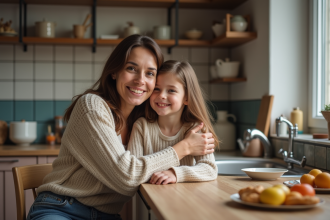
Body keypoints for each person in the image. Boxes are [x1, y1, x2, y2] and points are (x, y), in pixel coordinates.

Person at [27, 35, 215, 220]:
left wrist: (178, 170)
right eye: (132, 68)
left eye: (150, 73)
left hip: (106, 215)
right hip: (62, 208)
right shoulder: (92, 106)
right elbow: (127, 178)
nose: (140, 80)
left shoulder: (144, 119)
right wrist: (185, 148)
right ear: (114, 71)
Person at [127, 60, 219, 185]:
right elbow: (135, 171)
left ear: (186, 98)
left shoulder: (197, 128)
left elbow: (210, 170)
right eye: (157, 89)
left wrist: (176, 173)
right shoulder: (141, 126)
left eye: (171, 91)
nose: (162, 96)